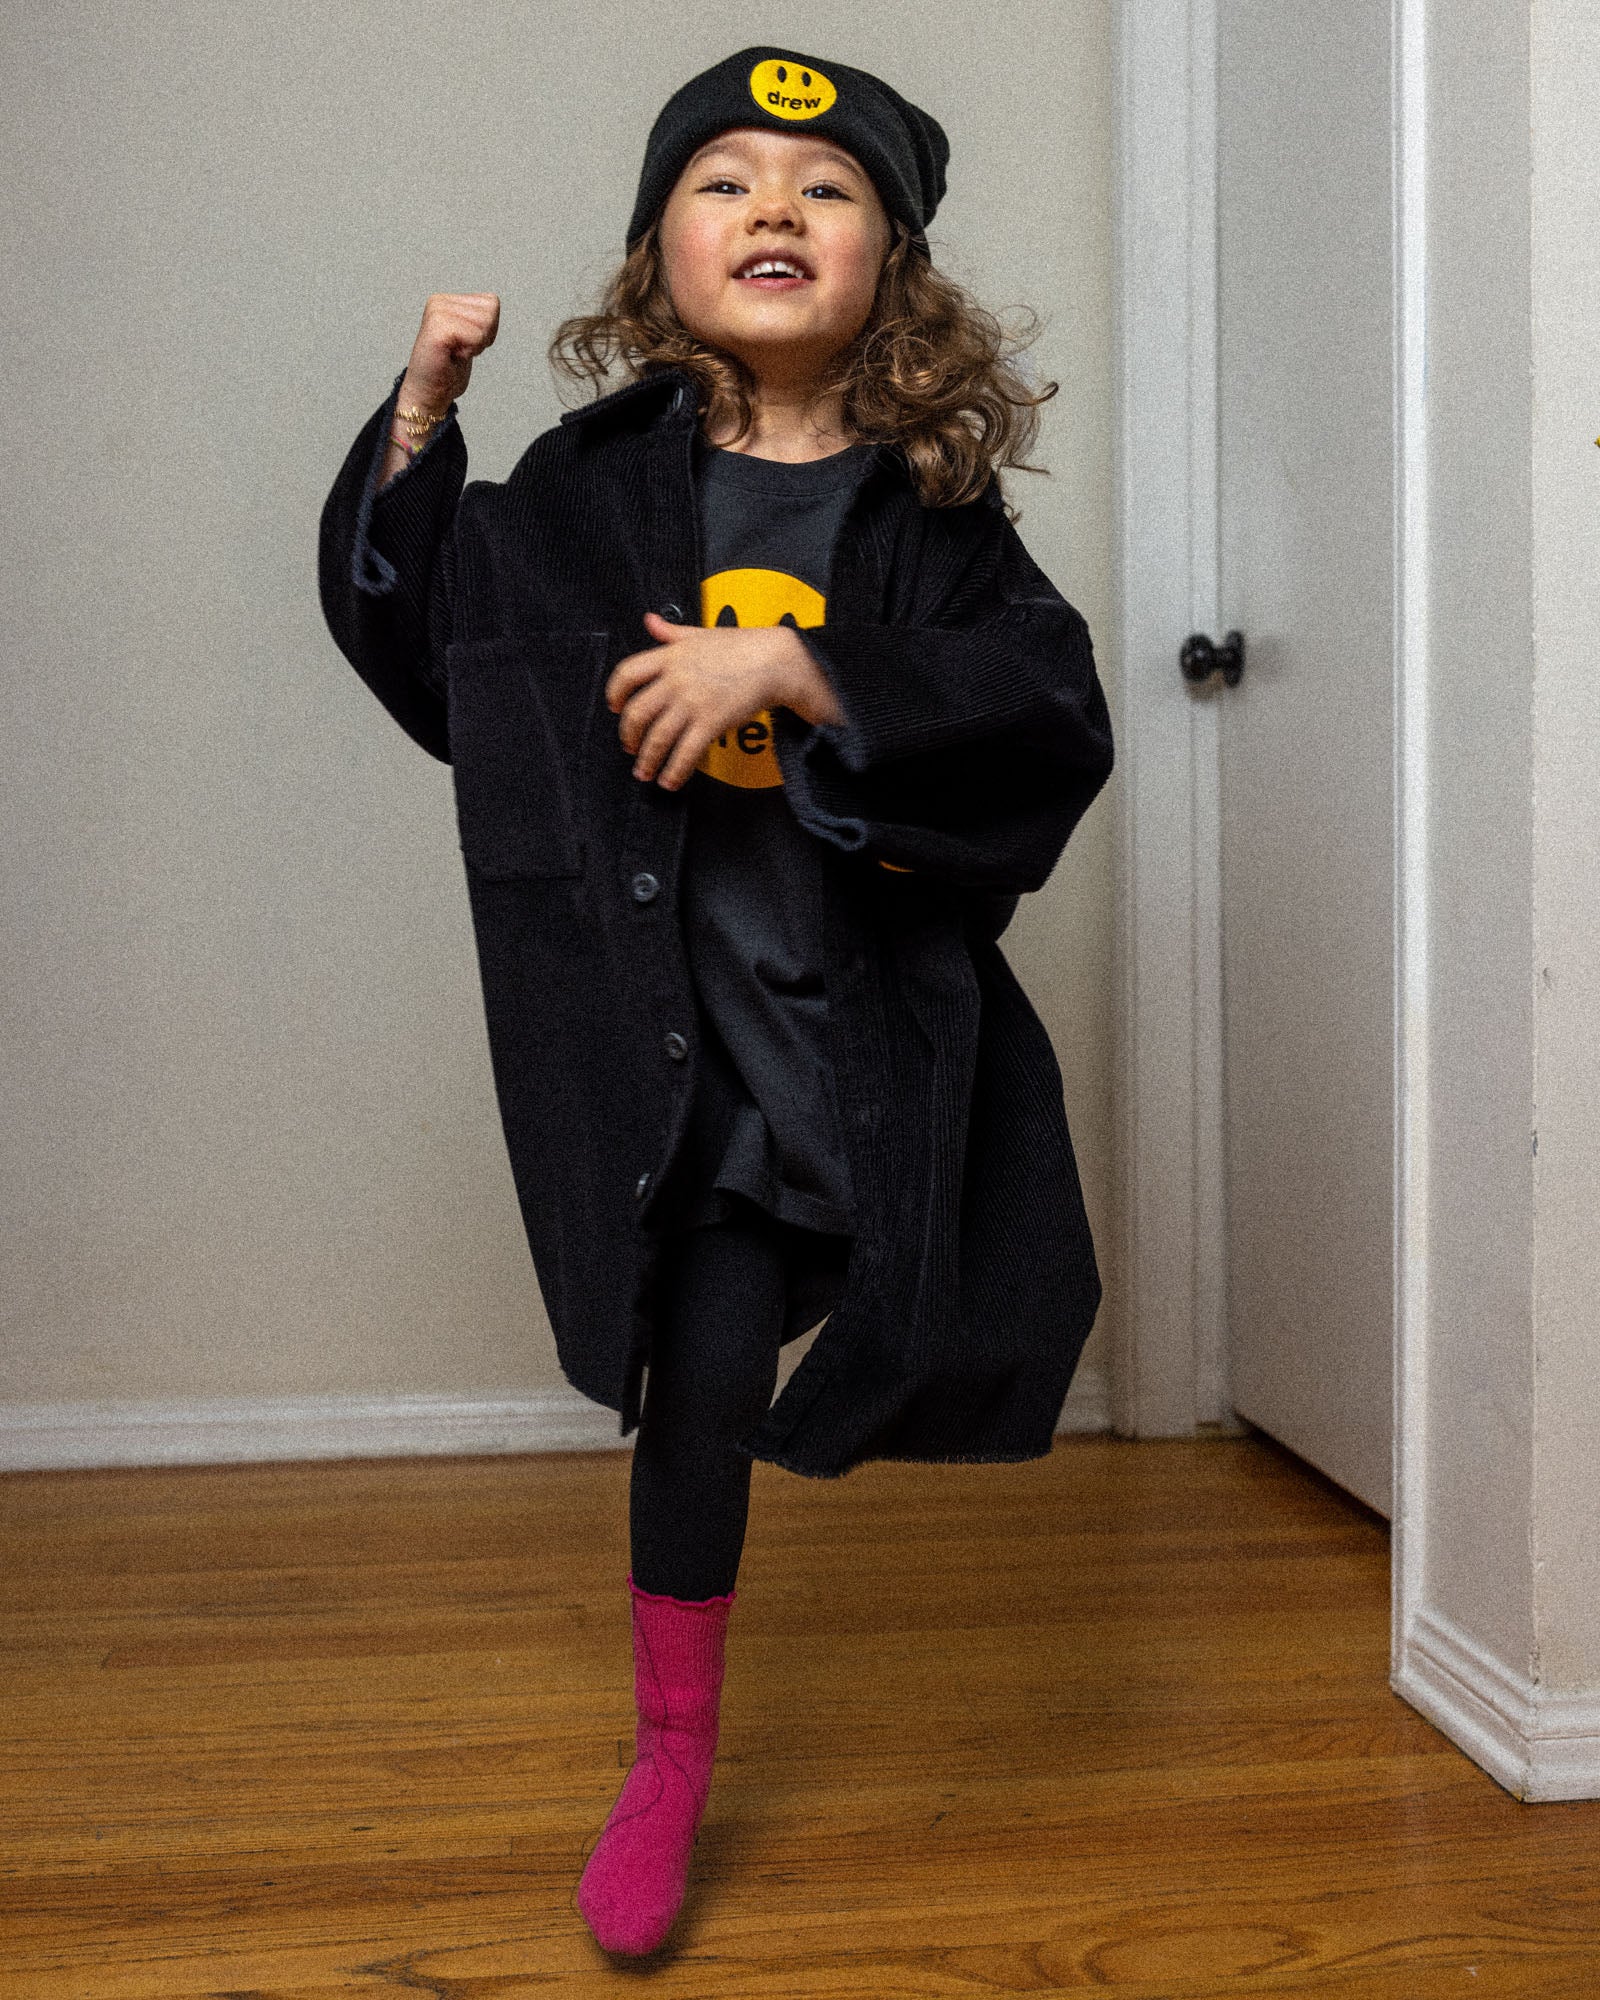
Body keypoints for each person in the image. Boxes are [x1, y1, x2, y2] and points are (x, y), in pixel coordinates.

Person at [318, 44, 1113, 1960]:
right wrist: (419, 423)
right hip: (688, 1056)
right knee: (702, 1371)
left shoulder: (932, 515)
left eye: (826, 189)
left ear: (892, 267)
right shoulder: (586, 493)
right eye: (726, 181)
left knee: (927, 1305)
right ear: (655, 254)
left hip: (855, 1030)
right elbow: (445, 671)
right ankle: (671, 1751)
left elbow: (1045, 705)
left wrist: (808, 670)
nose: (774, 206)